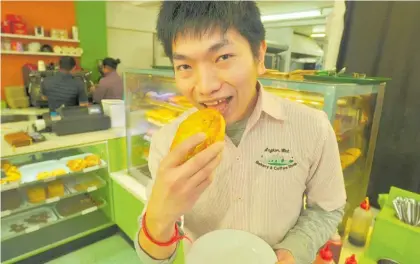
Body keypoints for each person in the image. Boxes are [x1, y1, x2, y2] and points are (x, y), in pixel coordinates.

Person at [136, 2, 346, 264]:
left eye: (223, 57)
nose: (206, 86)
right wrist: (159, 216)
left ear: (259, 55)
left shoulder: (312, 127)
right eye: (185, 66)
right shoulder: (168, 141)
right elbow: (155, 258)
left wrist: (293, 251)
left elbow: (327, 208)